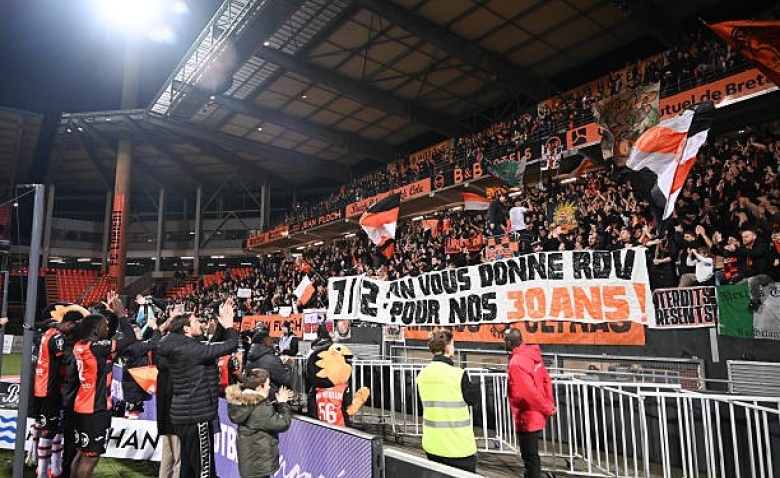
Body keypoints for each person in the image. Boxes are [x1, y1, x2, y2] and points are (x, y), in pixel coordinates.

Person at [157, 299, 239, 478]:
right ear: (186, 329)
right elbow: (230, 345)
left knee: (188, 469)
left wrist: (220, 328)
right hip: (197, 417)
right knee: (204, 472)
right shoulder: (191, 350)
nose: (200, 324)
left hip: (183, 416)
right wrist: (230, 326)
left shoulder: (179, 346)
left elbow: (209, 347)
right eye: (196, 322)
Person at [71, 313, 136, 478]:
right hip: (96, 408)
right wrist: (121, 315)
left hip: (82, 405)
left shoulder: (80, 345)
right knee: (90, 458)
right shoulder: (97, 348)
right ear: (95, 331)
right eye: (104, 326)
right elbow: (130, 337)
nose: (107, 329)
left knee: (81, 453)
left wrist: (112, 316)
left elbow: (109, 336)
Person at [32, 304, 86, 478]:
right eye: (75, 327)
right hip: (50, 388)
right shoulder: (58, 339)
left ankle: (53, 468)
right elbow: (67, 360)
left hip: (46, 386)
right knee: (49, 430)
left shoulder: (50, 333)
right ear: (70, 324)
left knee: (52, 428)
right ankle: (42, 471)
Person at [415, 329, 478, 473]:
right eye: (453, 344)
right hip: (458, 448)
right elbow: (473, 400)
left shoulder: (422, 375)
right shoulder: (458, 374)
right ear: (448, 347)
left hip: (433, 446)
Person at [504, 327, 556, 478]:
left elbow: (529, 394)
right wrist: (549, 404)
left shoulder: (516, 363)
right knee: (532, 456)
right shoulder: (532, 356)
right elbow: (546, 380)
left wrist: (547, 407)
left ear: (509, 342)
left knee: (530, 457)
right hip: (537, 413)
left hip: (527, 416)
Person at [226, 368, 294, 478]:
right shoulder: (259, 408)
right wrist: (282, 404)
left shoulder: (244, 401)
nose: (269, 387)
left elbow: (260, 418)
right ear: (259, 387)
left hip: (250, 463)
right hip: (259, 465)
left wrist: (275, 404)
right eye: (267, 384)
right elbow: (282, 423)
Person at [246, 325, 291, 397]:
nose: (272, 341)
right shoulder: (271, 359)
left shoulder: (250, 357)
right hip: (271, 398)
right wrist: (288, 366)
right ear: (264, 341)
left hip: (252, 396)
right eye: (269, 339)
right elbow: (286, 380)